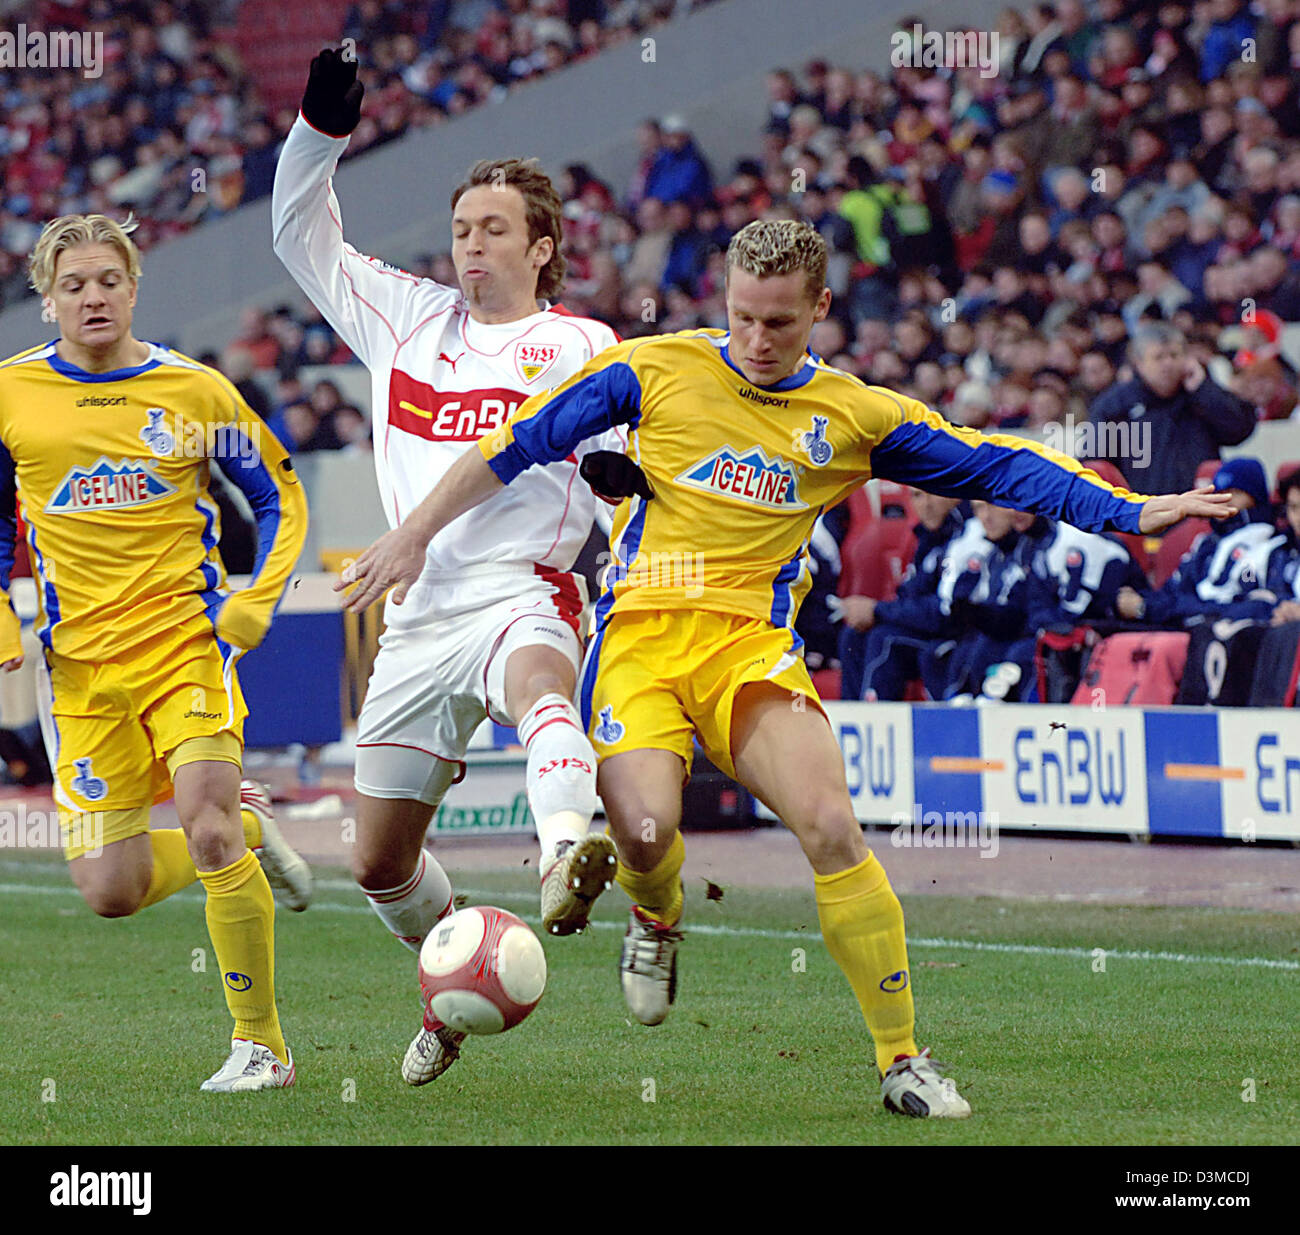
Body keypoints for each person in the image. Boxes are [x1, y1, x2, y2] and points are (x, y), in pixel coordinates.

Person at [341, 219, 1234, 1120]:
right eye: (742, 319)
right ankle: (655, 919)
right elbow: (510, 447)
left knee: (831, 825)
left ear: (820, 308)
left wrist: (1131, 509)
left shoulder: (854, 414)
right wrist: (414, 534)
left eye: (780, 323)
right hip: (641, 640)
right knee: (645, 836)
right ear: (723, 300)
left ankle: (903, 1061)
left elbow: (994, 464)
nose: (758, 343)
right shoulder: (649, 369)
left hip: (750, 651)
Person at [272, 49, 623, 1086]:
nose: (470, 245)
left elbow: (624, 472)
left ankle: (566, 846)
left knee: (540, 686)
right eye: (462, 227)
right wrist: (318, 132)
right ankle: (459, 973)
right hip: (418, 616)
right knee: (376, 860)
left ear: (541, 245)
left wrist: (628, 504)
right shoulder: (405, 320)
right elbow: (300, 236)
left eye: (494, 229)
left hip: (526, 585)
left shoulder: (581, 344)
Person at [0, 213, 311, 1091]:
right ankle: (252, 829)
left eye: (108, 280)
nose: (92, 296)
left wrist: (255, 598)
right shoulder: (11, 394)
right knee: (110, 888)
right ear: (47, 300)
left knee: (203, 825)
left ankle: (264, 1046)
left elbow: (280, 497)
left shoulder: (195, 391)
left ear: (135, 287)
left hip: (185, 646)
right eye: (73, 285)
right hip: (81, 674)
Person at [1087, 322, 1256, 495]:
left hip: (1203, 505)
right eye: (1159, 357)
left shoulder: (1201, 393)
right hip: (1145, 510)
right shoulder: (1116, 405)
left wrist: (1203, 390)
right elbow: (1096, 464)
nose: (1168, 363)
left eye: (1174, 355)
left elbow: (1240, 430)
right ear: (1138, 363)